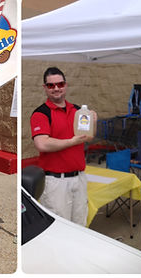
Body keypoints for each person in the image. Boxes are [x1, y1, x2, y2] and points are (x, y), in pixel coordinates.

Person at [30, 67, 96, 226]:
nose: (56, 88)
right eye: (51, 85)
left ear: (66, 85)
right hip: (56, 182)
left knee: (80, 224)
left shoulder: (77, 110)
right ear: (45, 88)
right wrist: (71, 141)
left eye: (60, 84)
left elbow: (89, 137)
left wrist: (93, 121)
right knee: (59, 227)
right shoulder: (41, 113)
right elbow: (42, 143)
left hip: (79, 178)